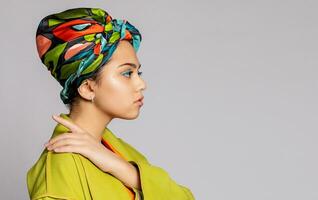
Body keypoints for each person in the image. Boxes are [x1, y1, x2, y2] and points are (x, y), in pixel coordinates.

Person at [26, 7, 195, 200]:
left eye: (137, 73)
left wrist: (122, 168)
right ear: (88, 88)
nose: (141, 84)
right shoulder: (61, 165)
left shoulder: (113, 149)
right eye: (126, 73)